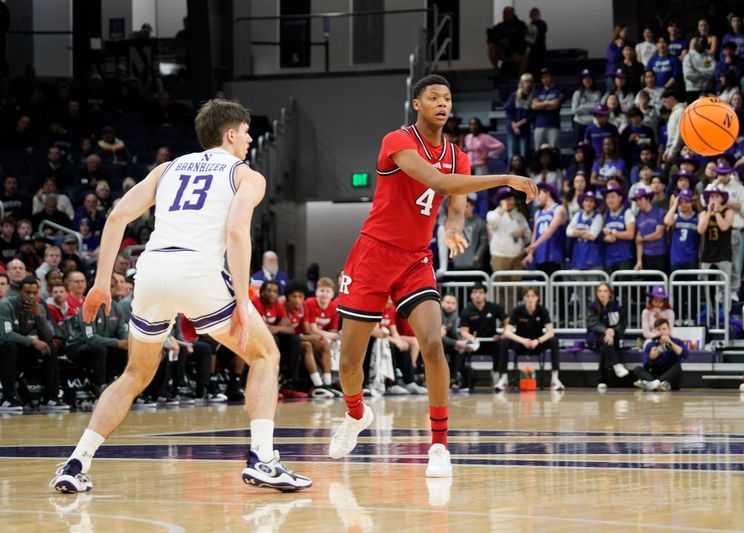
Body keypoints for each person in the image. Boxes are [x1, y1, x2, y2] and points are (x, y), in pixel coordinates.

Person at [50, 99, 311, 494]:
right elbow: (238, 232)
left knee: (134, 374)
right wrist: (242, 299)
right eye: (245, 132)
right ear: (229, 135)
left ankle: (76, 462)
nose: (250, 138)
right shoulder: (245, 174)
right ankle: (263, 459)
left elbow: (118, 216)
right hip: (198, 269)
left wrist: (101, 282)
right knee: (265, 355)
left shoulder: (167, 169)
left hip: (152, 269)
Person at [329, 75, 536, 478]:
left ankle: (439, 446)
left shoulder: (459, 155)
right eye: (434, 97)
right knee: (351, 359)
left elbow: (454, 201)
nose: (443, 103)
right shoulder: (397, 141)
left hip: (414, 260)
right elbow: (439, 183)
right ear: (417, 104)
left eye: (448, 97)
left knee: (433, 344)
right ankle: (356, 415)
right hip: (372, 254)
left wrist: (454, 226)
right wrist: (505, 178)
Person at [0, 277, 67, 411]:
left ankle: (50, 398)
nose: (31, 296)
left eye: (34, 293)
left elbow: (48, 336)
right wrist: (32, 341)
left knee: (50, 348)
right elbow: (6, 335)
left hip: (23, 351)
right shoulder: (5, 306)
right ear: (20, 291)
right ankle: (7, 398)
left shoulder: (39, 307)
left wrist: (39, 316)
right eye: (27, 292)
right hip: (5, 351)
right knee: (10, 346)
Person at [499, 286, 563, 390]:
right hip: (521, 344)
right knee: (504, 341)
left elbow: (551, 332)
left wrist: (538, 341)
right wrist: (523, 340)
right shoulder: (517, 310)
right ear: (523, 298)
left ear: (537, 297)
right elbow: (507, 331)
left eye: (533, 296)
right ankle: (504, 379)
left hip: (536, 345)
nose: (530, 298)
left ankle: (555, 379)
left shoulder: (542, 310)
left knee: (554, 341)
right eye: (527, 296)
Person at [704, 161, 744, 301]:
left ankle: (733, 290)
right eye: (719, 173)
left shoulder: (738, 187)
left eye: (724, 174)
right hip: (713, 230)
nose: (722, 176)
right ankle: (720, 290)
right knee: (717, 261)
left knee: (734, 261)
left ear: (730, 173)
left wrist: (727, 202)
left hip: (733, 228)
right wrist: (715, 185)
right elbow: (703, 201)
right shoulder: (712, 186)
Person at [458, 282, 507, 392]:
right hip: (475, 343)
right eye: (475, 292)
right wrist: (472, 339)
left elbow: (508, 322)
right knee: (461, 350)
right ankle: (465, 381)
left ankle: (497, 378)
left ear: (485, 294)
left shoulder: (494, 307)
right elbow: (464, 332)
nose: (478, 295)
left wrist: (503, 334)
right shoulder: (466, 311)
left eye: (481, 292)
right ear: (471, 295)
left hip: (491, 342)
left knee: (501, 346)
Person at [587, 282, 629, 391]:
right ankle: (616, 365)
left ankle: (602, 380)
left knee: (606, 344)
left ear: (610, 294)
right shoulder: (592, 307)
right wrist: (606, 331)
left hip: (613, 338)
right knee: (605, 341)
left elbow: (622, 325)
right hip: (595, 338)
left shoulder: (616, 307)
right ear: (596, 293)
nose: (602, 293)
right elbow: (592, 324)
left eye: (605, 291)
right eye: (600, 291)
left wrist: (613, 332)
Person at [698, 186, 735, 305]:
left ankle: (726, 313)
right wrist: (709, 212)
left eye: (716, 196)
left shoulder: (728, 212)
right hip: (708, 253)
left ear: (722, 199)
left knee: (725, 285)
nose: (713, 199)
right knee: (706, 287)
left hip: (723, 253)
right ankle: (709, 313)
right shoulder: (704, 213)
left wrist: (717, 212)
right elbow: (700, 230)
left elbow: (724, 227)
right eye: (711, 197)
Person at [523, 182, 566, 275]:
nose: (537, 197)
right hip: (540, 255)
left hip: (555, 254)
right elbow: (534, 233)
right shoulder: (538, 213)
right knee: (542, 286)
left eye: (539, 193)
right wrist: (530, 253)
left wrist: (535, 245)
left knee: (557, 286)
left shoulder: (559, 209)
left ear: (548, 192)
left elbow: (551, 229)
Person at [633, 318, 688, 391]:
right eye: (659, 329)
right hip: (656, 374)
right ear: (655, 331)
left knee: (677, 365)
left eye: (664, 329)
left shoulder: (677, 341)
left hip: (672, 377)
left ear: (669, 330)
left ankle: (654, 384)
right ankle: (657, 384)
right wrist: (651, 358)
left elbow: (685, 355)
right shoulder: (650, 344)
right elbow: (645, 365)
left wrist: (670, 342)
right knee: (637, 369)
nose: (662, 331)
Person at [486, 187, 530, 272]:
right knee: (499, 285)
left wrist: (522, 234)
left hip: (518, 257)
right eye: (509, 199)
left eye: (513, 199)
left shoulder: (519, 216)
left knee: (516, 285)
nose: (512, 202)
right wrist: (503, 208)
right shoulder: (492, 214)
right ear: (501, 201)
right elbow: (493, 221)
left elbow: (528, 234)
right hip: (499, 256)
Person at [601, 182, 636, 273]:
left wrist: (612, 233)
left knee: (622, 286)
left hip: (624, 258)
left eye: (613, 197)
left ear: (620, 198)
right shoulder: (605, 214)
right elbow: (602, 234)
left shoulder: (627, 212)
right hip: (608, 258)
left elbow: (630, 234)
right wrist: (605, 238)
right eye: (608, 197)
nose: (610, 200)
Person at [665, 189, 700, 271]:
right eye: (681, 202)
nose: (683, 204)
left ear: (691, 202)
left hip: (691, 258)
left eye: (687, 202)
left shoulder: (697, 218)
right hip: (676, 258)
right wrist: (674, 205)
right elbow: (666, 221)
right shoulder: (676, 217)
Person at [487, 6, 528, 77]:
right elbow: (491, 38)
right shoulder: (500, 26)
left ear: (512, 14)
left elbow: (523, 40)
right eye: (504, 14)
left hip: (517, 53)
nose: (504, 16)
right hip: (504, 52)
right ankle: (496, 70)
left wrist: (510, 40)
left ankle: (520, 79)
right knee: (491, 47)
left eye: (507, 14)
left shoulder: (521, 25)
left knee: (526, 56)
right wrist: (500, 40)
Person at [566, 190, 603, 270]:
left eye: (591, 201)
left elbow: (592, 236)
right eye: (586, 200)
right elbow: (568, 232)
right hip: (577, 257)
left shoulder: (598, 217)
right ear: (582, 202)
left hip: (593, 257)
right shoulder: (577, 215)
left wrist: (575, 232)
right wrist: (586, 231)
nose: (588, 203)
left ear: (594, 204)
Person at [633, 188, 667, 272]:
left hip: (660, 254)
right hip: (646, 255)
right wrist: (639, 261)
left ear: (647, 199)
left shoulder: (660, 212)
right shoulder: (637, 217)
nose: (638, 203)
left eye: (640, 199)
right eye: (636, 200)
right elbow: (638, 241)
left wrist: (643, 238)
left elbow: (659, 234)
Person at [451, 197, 488, 272]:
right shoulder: (456, 223)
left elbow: (484, 242)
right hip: (458, 263)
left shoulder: (479, 222)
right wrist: (454, 257)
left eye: (467, 206)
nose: (464, 208)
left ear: (472, 207)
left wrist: (477, 256)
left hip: (474, 264)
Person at [531, 68, 564, 150]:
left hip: (553, 125)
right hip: (539, 125)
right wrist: (548, 103)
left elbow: (555, 105)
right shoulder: (538, 91)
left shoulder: (559, 90)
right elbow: (534, 106)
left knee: (554, 150)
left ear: (552, 77)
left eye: (546, 76)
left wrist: (541, 104)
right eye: (543, 77)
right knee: (538, 151)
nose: (544, 79)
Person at [503, 73, 533, 160]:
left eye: (530, 82)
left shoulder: (532, 97)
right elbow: (509, 111)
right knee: (511, 155)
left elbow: (531, 115)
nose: (528, 84)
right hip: (512, 129)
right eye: (526, 82)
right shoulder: (514, 96)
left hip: (524, 130)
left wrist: (520, 124)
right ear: (522, 83)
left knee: (523, 155)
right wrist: (514, 125)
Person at [571, 69, 602, 144]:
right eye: (585, 78)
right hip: (579, 123)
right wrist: (591, 108)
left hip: (592, 123)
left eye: (589, 78)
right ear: (581, 80)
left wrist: (582, 107)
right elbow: (574, 110)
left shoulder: (597, 93)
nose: (587, 80)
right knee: (579, 146)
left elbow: (598, 109)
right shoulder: (577, 93)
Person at [682, 37, 716, 102]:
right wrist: (706, 73)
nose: (702, 45)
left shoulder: (709, 57)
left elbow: (713, 72)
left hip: (707, 89)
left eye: (704, 43)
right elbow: (688, 75)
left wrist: (698, 70)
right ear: (696, 44)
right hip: (692, 90)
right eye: (701, 42)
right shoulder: (688, 56)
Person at [661, 89, 686, 165]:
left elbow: (678, 134)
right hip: (672, 150)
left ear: (671, 98)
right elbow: (671, 136)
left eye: (665, 101)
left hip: (677, 151)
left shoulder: (680, 111)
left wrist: (672, 152)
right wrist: (667, 151)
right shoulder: (674, 112)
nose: (664, 104)